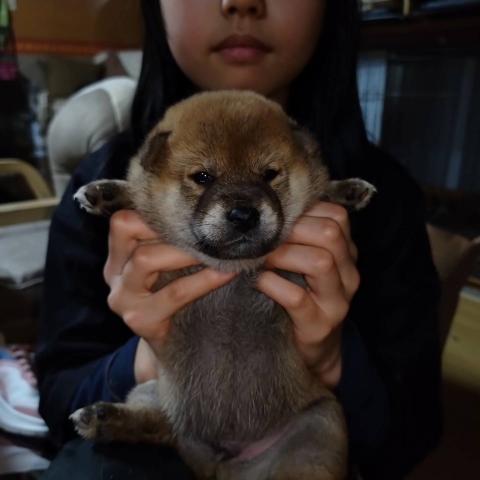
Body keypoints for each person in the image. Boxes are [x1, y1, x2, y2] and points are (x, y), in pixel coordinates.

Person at [35, 1, 442, 479]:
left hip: (292, 440)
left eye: (270, 175)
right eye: (202, 177)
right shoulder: (97, 189)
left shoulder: (385, 198)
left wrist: (334, 360)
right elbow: (59, 403)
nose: (240, 1)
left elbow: (413, 431)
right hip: (169, 434)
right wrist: (145, 357)